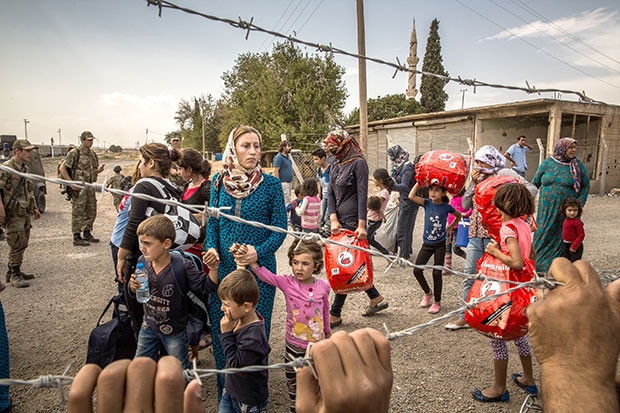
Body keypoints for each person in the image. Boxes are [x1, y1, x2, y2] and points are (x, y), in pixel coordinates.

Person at [67, 261, 620, 412]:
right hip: (288, 349)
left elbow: (332, 297)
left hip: (312, 343)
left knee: (310, 373)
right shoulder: (276, 288)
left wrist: (572, 371)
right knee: (287, 374)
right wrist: (578, 374)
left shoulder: (323, 284)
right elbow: (271, 279)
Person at [68, 327, 395, 413]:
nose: (223, 310)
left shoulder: (252, 334)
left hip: (247, 394)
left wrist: (224, 333)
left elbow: (237, 366)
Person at [204, 125, 287, 397]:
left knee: (253, 333)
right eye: (246, 146)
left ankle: (254, 397)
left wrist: (257, 253)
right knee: (223, 330)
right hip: (225, 273)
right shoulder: (218, 183)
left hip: (258, 273)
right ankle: (225, 393)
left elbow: (279, 228)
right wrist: (212, 250)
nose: (253, 152)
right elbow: (213, 225)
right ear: (233, 148)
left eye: (257, 146)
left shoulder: (271, 184)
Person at [445, 145, 537, 330]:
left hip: (498, 237)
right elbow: (464, 205)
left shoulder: (504, 174)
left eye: (482, 161)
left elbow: (531, 190)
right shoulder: (477, 179)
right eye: (477, 162)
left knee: (498, 279)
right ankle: (466, 316)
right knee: (470, 275)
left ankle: (497, 314)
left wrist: (504, 189)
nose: (479, 165)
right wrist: (473, 185)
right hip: (476, 234)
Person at [235, 239, 331, 412]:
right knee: (293, 382)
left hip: (317, 347)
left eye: (305, 263)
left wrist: (328, 332)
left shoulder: (323, 286)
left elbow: (325, 310)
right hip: (293, 346)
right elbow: (268, 277)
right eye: (295, 262)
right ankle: (295, 407)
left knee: (317, 381)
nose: (299, 268)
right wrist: (254, 264)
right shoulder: (288, 283)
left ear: (316, 265)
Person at [471, 183, 537, 403]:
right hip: (522, 290)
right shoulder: (525, 225)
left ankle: (499, 388)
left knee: (497, 337)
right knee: (521, 335)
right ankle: (529, 379)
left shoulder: (508, 227)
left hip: (507, 291)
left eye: (499, 203)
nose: (496, 208)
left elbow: (516, 262)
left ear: (507, 204)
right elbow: (531, 257)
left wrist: (494, 251)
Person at [128, 215, 219, 369]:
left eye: (147, 243)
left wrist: (214, 268)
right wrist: (133, 287)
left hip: (175, 330)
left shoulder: (182, 266)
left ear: (166, 243)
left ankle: (186, 392)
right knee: (140, 366)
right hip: (148, 325)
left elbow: (206, 286)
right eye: (141, 242)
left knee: (180, 369)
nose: (142, 248)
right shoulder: (143, 262)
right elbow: (138, 296)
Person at [323, 129, 388, 327]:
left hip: (353, 221)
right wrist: (333, 219)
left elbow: (362, 195)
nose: (332, 154)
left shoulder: (358, 163)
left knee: (344, 265)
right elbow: (331, 194)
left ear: (344, 145)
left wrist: (362, 225)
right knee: (348, 263)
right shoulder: (335, 164)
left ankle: (335, 312)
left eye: (335, 149)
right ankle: (375, 297)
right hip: (338, 220)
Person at [117, 143, 182, 335]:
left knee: (141, 315)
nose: (139, 167)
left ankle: (146, 356)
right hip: (165, 261)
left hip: (142, 260)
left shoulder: (143, 186)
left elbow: (134, 224)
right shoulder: (172, 187)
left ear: (151, 163)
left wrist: (121, 256)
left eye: (141, 162)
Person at [532, 138, 590, 273]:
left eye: (575, 148)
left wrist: (576, 206)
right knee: (542, 237)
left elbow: (585, 186)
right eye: (571, 148)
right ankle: (538, 270)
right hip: (546, 212)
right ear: (561, 148)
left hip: (565, 214)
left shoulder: (577, 166)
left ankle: (557, 271)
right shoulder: (548, 163)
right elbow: (534, 183)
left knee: (562, 240)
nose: (574, 150)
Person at [216, 269, 270, 413]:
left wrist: (227, 333)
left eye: (226, 305)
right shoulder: (241, 318)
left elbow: (236, 364)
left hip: (248, 399)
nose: (222, 308)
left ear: (246, 306)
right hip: (231, 390)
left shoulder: (253, 337)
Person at [178, 148, 213, 362]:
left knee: (201, 295)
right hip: (186, 247)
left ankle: (207, 336)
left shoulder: (207, 187)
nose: (178, 171)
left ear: (190, 169)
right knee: (187, 298)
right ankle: (193, 350)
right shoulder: (187, 186)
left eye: (180, 168)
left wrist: (191, 217)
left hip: (200, 249)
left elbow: (214, 215)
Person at [408, 182, 461, 314]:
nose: (432, 192)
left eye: (437, 190)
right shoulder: (427, 203)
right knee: (417, 271)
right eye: (431, 189)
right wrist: (419, 183)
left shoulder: (446, 207)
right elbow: (411, 196)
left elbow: (458, 215)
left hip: (440, 244)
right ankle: (428, 293)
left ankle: (437, 302)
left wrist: (450, 226)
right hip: (427, 244)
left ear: (443, 193)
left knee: (436, 273)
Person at [0, 139, 41, 288]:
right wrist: (1, 208)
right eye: (27, 151)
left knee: (23, 242)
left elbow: (29, 191)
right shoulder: (6, 168)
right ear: (17, 151)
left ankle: (14, 271)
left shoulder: (25, 169)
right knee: (16, 242)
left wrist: (34, 207)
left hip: (24, 211)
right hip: (12, 212)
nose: (30, 154)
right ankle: (14, 274)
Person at [59, 131, 105, 246]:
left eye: (92, 140)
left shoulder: (92, 154)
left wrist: (98, 171)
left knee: (91, 209)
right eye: (89, 140)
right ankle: (76, 236)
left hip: (90, 187)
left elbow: (92, 169)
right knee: (78, 211)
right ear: (82, 140)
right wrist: (70, 183)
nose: (91, 142)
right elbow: (63, 168)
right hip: (78, 188)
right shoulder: (75, 153)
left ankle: (87, 232)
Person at [110, 162, 141, 293]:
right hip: (123, 243)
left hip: (120, 241)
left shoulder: (136, 189)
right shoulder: (139, 192)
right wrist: (123, 255)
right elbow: (133, 223)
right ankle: (123, 312)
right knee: (127, 286)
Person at [387, 145, 418, 260]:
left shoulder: (407, 168)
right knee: (407, 227)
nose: (391, 158)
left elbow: (404, 186)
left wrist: (391, 187)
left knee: (402, 229)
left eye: (392, 155)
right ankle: (406, 251)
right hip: (406, 200)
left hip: (408, 201)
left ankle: (403, 256)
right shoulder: (399, 166)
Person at [366, 168, 395, 256]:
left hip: (374, 220)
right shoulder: (382, 191)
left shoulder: (384, 193)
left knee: (367, 239)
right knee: (370, 239)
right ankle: (385, 252)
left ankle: (384, 253)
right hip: (372, 218)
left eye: (374, 179)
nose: (373, 181)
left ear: (380, 181)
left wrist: (369, 199)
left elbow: (377, 207)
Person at [444, 188, 470, 274]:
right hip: (450, 227)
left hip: (459, 227)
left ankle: (471, 260)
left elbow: (471, 209)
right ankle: (448, 267)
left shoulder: (464, 198)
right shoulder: (452, 199)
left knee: (456, 248)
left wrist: (465, 214)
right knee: (447, 246)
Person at [560, 198, 585, 262]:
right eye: (570, 210)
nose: (572, 213)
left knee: (575, 263)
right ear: (565, 210)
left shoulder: (577, 222)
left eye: (575, 210)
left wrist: (574, 246)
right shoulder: (567, 219)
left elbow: (581, 235)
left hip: (575, 245)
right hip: (566, 244)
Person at [312, 148, 331, 229]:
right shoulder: (319, 170)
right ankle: (321, 229)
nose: (315, 161)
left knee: (328, 214)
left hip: (331, 196)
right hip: (324, 196)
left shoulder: (331, 169)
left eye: (317, 159)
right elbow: (319, 182)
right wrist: (319, 195)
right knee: (322, 214)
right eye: (314, 159)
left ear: (323, 158)